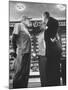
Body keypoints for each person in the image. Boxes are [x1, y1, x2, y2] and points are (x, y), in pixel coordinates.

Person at [40, 11, 62, 86]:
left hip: (53, 51)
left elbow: (51, 37)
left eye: (42, 17)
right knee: (53, 68)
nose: (42, 19)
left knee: (52, 68)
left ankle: (52, 84)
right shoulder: (49, 24)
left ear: (44, 16)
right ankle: (53, 83)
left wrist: (51, 38)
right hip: (53, 51)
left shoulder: (52, 22)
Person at [12, 16, 31, 88]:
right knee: (19, 72)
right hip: (22, 53)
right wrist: (14, 50)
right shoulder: (18, 25)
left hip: (27, 53)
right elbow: (13, 38)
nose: (29, 21)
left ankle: (23, 87)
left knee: (25, 73)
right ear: (24, 20)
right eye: (28, 20)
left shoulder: (26, 29)